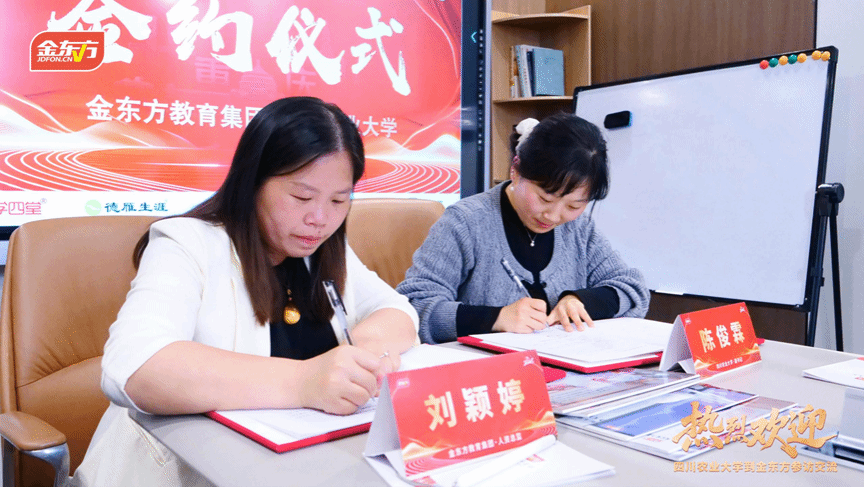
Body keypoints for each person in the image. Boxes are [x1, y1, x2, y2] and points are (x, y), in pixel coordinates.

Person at [73, 97, 419, 486]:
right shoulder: (188, 243)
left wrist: (363, 357)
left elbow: (398, 311)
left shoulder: (321, 251)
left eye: (339, 200)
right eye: (302, 197)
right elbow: (135, 366)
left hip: (293, 470)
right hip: (180, 473)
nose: (320, 218)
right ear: (253, 181)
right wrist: (304, 381)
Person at [397, 113, 649, 345]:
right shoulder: (466, 223)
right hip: (486, 372)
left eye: (574, 205)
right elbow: (414, 307)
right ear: (516, 171)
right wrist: (496, 318)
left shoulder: (579, 229)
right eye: (544, 198)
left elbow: (633, 288)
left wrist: (581, 300)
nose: (553, 216)